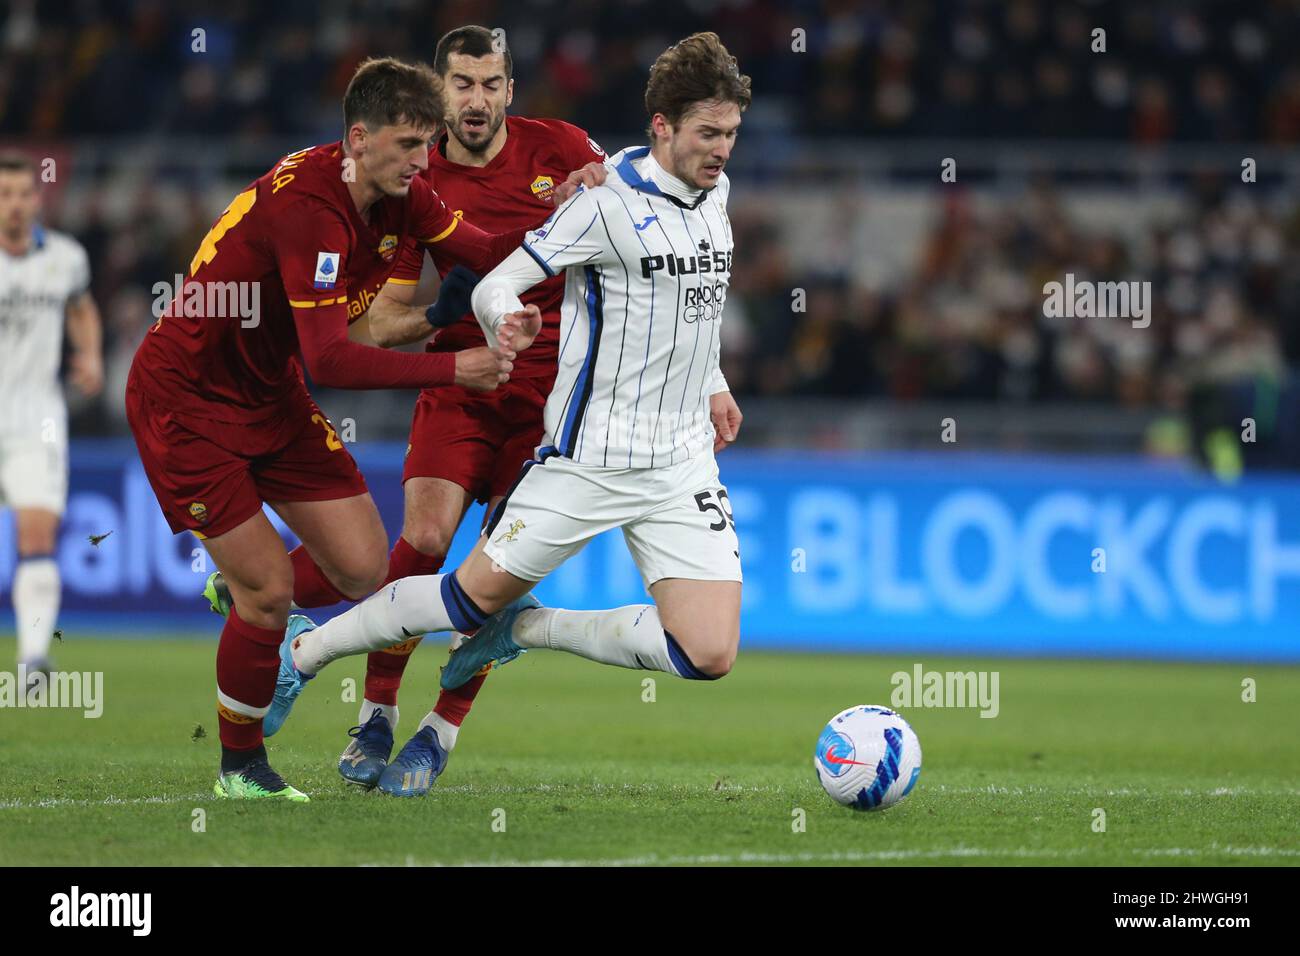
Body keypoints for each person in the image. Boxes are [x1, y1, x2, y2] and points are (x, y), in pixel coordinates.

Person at [274, 33, 751, 790]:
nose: (723, 149)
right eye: (709, 134)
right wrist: (497, 319)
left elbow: (694, 300)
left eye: (730, 134)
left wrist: (715, 379)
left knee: (709, 654)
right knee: (445, 565)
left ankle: (522, 632)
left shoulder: (685, 181)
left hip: (678, 459)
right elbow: (497, 281)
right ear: (662, 125)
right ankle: (317, 662)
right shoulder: (595, 203)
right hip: (571, 443)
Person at [127, 57, 547, 802]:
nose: (426, 163)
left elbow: (485, 250)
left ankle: (241, 594)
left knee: (363, 571)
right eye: (411, 145)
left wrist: (575, 235)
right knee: (270, 592)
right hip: (187, 402)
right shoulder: (312, 209)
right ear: (359, 138)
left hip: (267, 394)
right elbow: (332, 356)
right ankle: (241, 768)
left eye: (429, 144)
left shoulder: (399, 193)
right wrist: (457, 369)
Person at [331, 25, 607, 796]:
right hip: (462, 383)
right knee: (421, 537)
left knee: (499, 573)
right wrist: (439, 314)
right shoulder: (415, 180)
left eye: (491, 85)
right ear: (439, 88)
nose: (476, 100)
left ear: (511, 90)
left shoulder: (566, 151)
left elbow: (633, 232)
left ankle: (438, 731)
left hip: (553, 403)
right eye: (462, 84)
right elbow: (374, 326)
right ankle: (376, 711)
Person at [0, 152, 104, 685]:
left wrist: (90, 355)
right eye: (4, 195)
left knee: (36, 536)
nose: (14, 205)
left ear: (36, 199)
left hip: (35, 418)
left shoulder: (65, 257)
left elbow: (81, 307)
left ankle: (33, 659)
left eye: (22, 194)